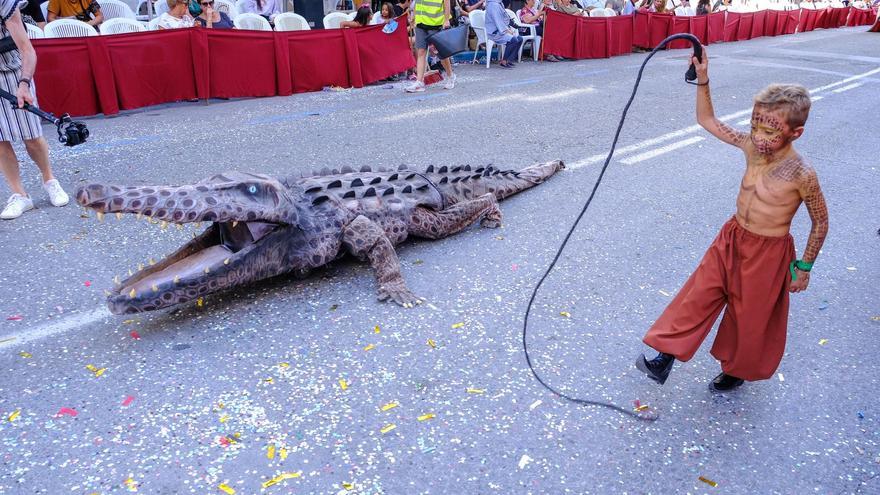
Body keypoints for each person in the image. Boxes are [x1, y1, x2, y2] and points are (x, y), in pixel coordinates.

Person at [635, 47, 829, 393]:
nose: (758, 137)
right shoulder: (751, 147)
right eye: (755, 125)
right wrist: (703, 80)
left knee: (749, 317)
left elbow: (821, 222)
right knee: (699, 294)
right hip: (732, 237)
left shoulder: (803, 173)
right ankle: (665, 356)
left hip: (768, 253)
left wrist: (805, 266)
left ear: (795, 133)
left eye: (770, 132)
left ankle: (736, 370)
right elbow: (708, 121)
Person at [0, 2, 69, 220]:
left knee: (31, 136)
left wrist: (24, 84)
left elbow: (27, 50)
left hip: (15, 73)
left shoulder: (4, 4)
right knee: (0, 140)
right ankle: (20, 195)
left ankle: (50, 180)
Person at [405, 0, 456, 93]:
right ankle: (419, 82)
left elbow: (446, 2)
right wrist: (414, 16)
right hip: (420, 22)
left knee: (440, 53)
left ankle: (450, 75)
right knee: (421, 51)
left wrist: (446, 20)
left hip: (435, 23)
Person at [485, 0, 521, 68]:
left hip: (500, 30)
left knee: (519, 39)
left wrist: (510, 27)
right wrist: (507, 30)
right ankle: (504, 61)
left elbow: (504, 18)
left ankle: (509, 60)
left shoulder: (498, 3)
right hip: (494, 32)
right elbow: (498, 21)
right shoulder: (493, 5)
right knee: (514, 40)